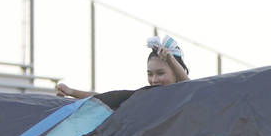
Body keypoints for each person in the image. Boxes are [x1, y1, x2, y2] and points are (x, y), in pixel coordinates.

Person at [56, 36, 189, 98]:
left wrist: (171, 59)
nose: (154, 80)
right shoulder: (143, 98)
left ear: (176, 74)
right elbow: (107, 99)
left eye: (160, 73)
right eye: (150, 74)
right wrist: (71, 92)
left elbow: (192, 89)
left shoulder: (186, 98)